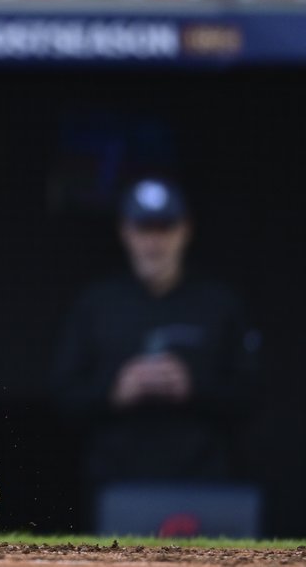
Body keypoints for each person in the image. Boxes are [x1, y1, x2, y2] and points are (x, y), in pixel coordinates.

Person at [50, 179, 261, 516]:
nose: (154, 240)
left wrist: (193, 387)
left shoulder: (220, 305)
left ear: (185, 230)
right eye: (143, 227)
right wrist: (115, 392)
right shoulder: (95, 305)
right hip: (113, 486)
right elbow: (62, 398)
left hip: (203, 486)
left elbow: (252, 395)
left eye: (165, 227)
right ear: (125, 231)